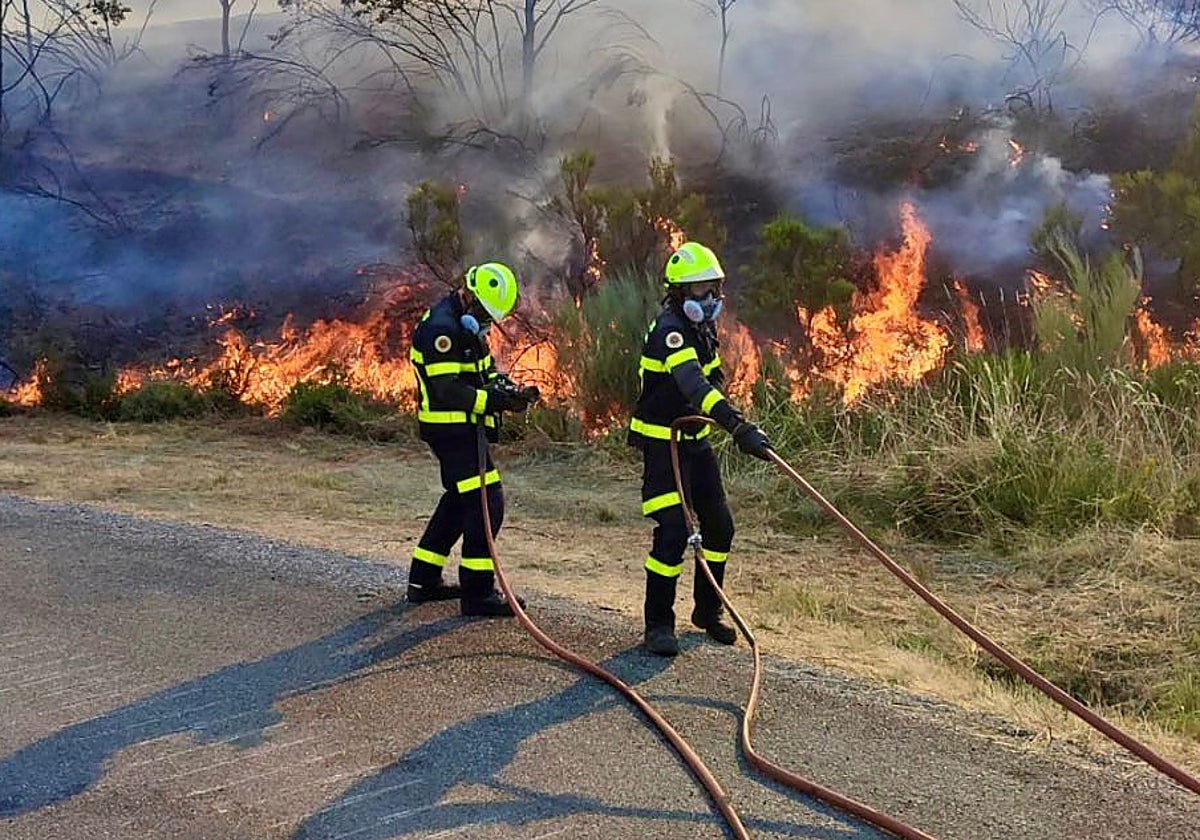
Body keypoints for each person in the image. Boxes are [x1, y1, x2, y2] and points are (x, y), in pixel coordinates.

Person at [628, 242, 772, 656]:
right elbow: (692, 383)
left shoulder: (702, 330)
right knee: (672, 532)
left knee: (720, 528)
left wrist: (735, 416)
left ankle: (707, 612)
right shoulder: (671, 329)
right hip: (663, 444)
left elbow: (712, 382)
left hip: (694, 442)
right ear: (678, 293)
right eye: (699, 291)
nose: (708, 300)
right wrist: (736, 426)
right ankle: (658, 624)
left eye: (713, 289)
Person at [406, 261, 539, 616]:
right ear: (470, 296)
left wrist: (510, 392)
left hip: (461, 427)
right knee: (487, 500)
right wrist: (491, 401)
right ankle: (477, 593)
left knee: (459, 500)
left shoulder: (467, 326)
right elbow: (448, 390)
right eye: (483, 313)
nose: (485, 322)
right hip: (450, 428)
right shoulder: (441, 329)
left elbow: (481, 374)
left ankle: (423, 579)